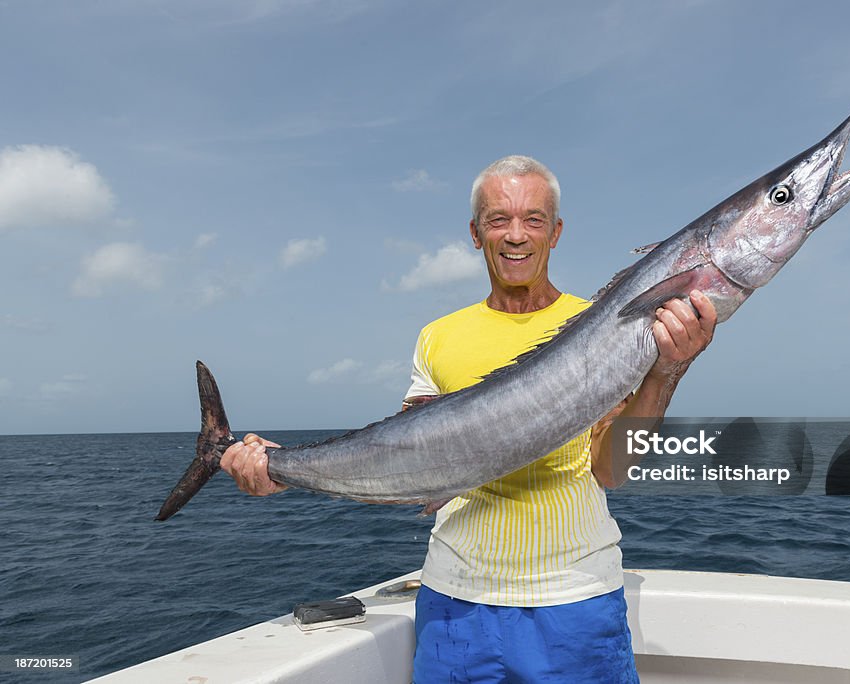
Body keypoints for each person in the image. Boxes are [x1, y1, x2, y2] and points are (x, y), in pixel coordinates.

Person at [221, 156, 717, 683]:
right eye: (498, 219)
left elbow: (610, 470)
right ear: (476, 234)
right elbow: (408, 462)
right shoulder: (439, 336)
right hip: (455, 605)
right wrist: (280, 472)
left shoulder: (602, 324)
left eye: (534, 219)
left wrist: (668, 372)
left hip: (575, 600)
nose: (517, 236)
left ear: (557, 232)